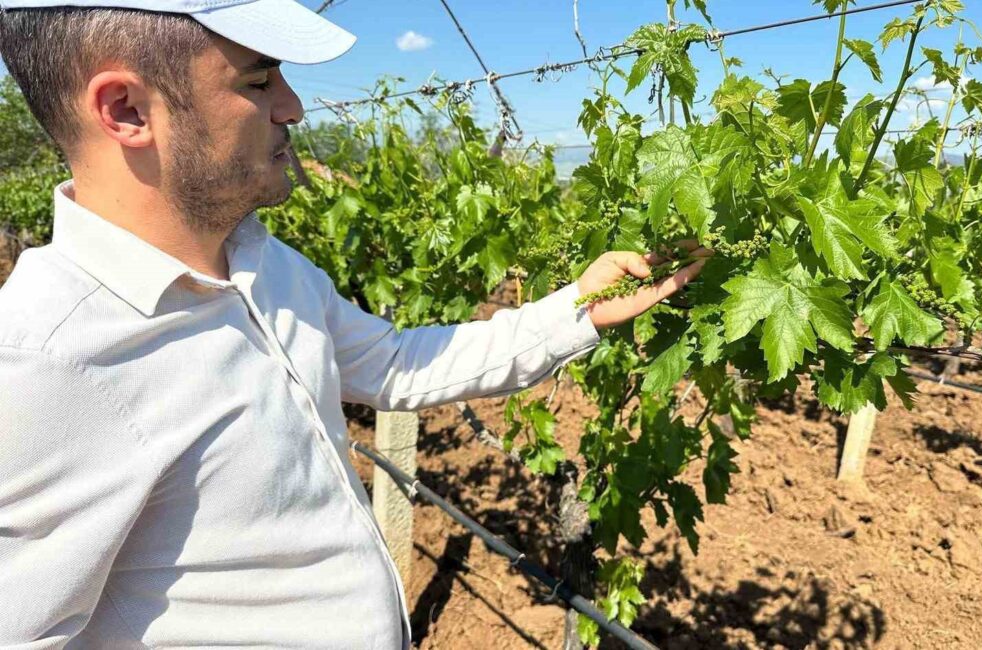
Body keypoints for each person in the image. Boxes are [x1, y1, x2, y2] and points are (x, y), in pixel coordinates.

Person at [0, 1, 708, 646]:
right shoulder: (46, 363)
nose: (294, 108)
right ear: (125, 109)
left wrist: (575, 309)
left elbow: (396, 364)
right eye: (258, 82)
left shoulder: (263, 265)